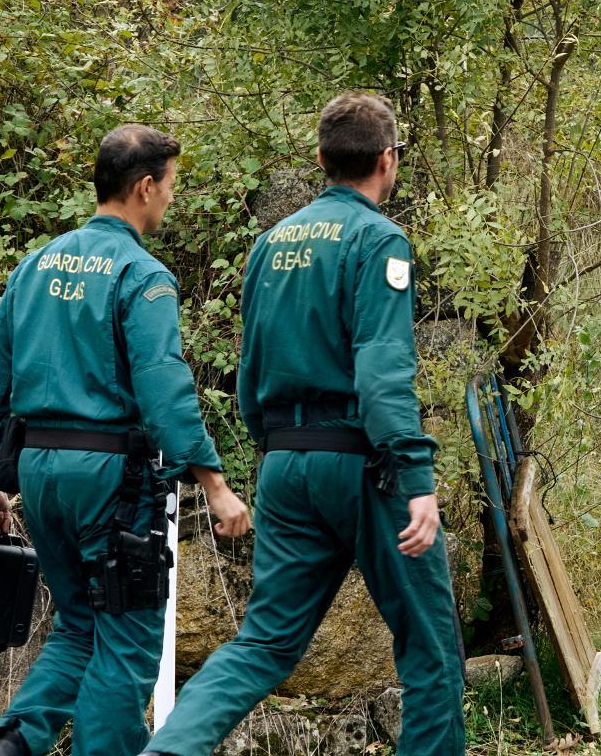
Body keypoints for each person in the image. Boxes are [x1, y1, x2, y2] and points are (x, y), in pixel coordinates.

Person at [143, 93, 465, 756]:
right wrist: (415, 476)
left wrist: (276, 449)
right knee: (430, 648)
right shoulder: (379, 240)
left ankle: (166, 751)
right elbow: (382, 372)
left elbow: (252, 364)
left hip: (285, 465)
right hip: (364, 468)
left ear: (320, 158)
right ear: (388, 159)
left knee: (263, 643)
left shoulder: (271, 244)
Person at [0, 125, 252, 756]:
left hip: (38, 474)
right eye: (170, 185)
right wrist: (215, 483)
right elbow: (163, 385)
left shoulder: (35, 266)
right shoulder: (142, 275)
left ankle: (9, 746)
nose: (172, 197)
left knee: (79, 627)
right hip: (110, 482)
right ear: (144, 187)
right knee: (127, 641)